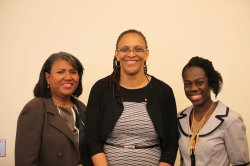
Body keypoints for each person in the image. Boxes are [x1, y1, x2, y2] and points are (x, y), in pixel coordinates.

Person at [86, 29, 178, 166]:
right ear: (117, 54)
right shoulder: (100, 89)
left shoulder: (163, 91)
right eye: (125, 49)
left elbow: (171, 144)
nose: (131, 54)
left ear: (146, 54)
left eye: (138, 49)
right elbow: (92, 140)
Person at [15, 52, 92, 166]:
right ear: (47, 77)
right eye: (60, 72)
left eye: (73, 72)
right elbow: (25, 161)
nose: (68, 77)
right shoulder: (35, 109)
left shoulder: (82, 108)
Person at [177, 56, 249, 166]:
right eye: (187, 84)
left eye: (199, 82)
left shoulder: (230, 120)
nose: (193, 88)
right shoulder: (180, 118)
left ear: (210, 83)